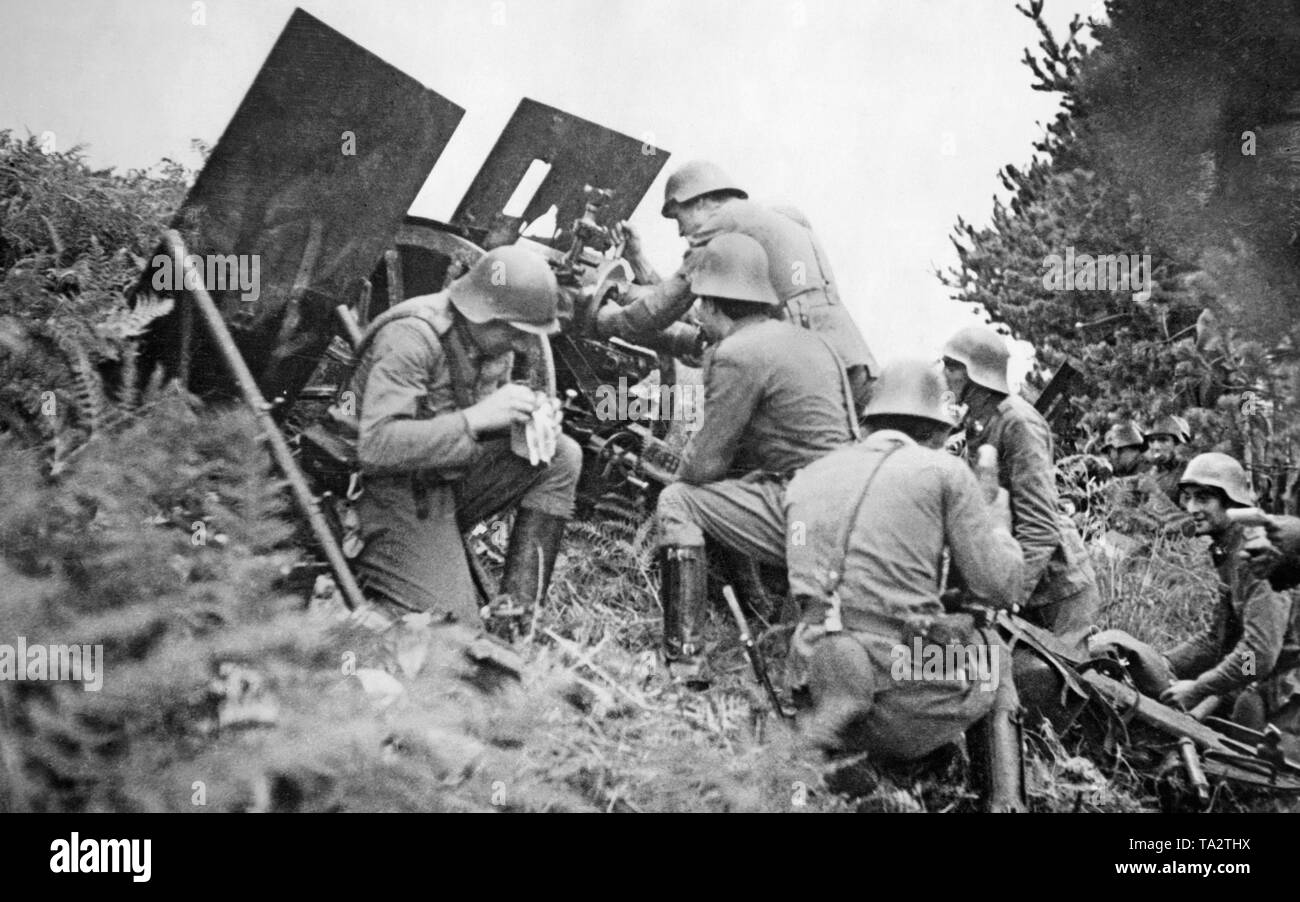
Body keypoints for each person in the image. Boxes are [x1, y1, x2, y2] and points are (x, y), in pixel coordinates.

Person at [784, 358, 1027, 809]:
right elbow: (1000, 586)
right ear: (937, 431)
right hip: (895, 697)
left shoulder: (810, 475)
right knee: (994, 655)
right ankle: (1005, 802)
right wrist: (996, 521)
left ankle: (850, 770)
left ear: (868, 424)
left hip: (814, 688)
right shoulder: (944, 472)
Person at [654, 233, 858, 684]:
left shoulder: (736, 354)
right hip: (856, 506)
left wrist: (675, 459)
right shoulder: (812, 343)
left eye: (699, 307)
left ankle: (684, 662)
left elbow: (703, 467)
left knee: (678, 501)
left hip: (809, 511)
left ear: (709, 303)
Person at [350, 245, 581, 632]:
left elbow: (473, 422)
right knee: (459, 631)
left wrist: (525, 425)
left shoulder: (488, 343)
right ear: (484, 315)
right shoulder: (411, 336)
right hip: (385, 495)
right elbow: (376, 446)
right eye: (518, 333)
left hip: (442, 481)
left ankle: (517, 620)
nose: (525, 347)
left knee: (561, 456)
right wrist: (477, 419)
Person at [597, 159, 879, 413]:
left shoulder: (724, 223)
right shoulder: (769, 223)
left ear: (699, 202)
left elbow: (670, 303)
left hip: (806, 372)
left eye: (678, 217)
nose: (680, 231)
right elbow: (698, 309)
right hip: (851, 359)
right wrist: (637, 260)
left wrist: (609, 322)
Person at [941, 325, 1100, 646]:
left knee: (1066, 688)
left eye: (951, 366)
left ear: (975, 374)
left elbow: (1040, 526)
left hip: (1057, 592)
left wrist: (1007, 594)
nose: (943, 375)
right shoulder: (977, 425)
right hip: (1024, 583)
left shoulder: (1017, 423)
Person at [1157, 453, 1300, 738]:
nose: (1192, 508)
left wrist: (1200, 688)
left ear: (1231, 502)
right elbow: (1219, 639)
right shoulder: (1229, 549)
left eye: (1203, 499)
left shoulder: (1258, 553)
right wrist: (1165, 663)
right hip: (1267, 681)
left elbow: (1257, 656)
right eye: (1188, 498)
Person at [1145, 413, 1192, 503]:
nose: (1156, 447)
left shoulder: (1188, 473)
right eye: (1151, 441)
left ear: (1178, 442)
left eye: (1163, 440)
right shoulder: (1150, 473)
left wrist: (1156, 492)